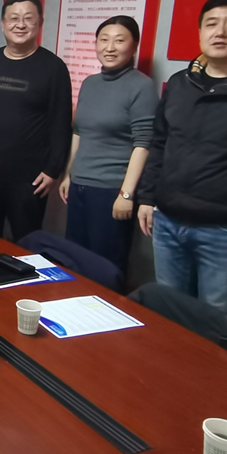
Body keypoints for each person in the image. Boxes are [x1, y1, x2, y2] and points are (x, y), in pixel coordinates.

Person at [137, 0, 227, 314]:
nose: (220, 32)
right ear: (200, 31)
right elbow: (159, 144)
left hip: (226, 231)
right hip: (168, 221)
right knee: (169, 312)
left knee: (215, 320)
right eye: (211, 24)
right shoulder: (180, 83)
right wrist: (146, 197)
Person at [0, 0, 72, 241]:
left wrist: (53, 169)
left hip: (29, 177)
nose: (20, 24)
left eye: (28, 18)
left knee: (27, 241)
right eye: (13, 18)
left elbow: (61, 122)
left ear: (40, 23)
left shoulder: (54, 68)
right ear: (3, 23)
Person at [58, 16, 158, 274]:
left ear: (134, 46)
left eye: (119, 40)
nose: (110, 47)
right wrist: (69, 173)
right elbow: (79, 132)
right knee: (75, 261)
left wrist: (126, 194)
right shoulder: (90, 83)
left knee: (106, 267)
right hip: (80, 186)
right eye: (104, 40)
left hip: (111, 190)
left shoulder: (142, 86)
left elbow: (143, 144)